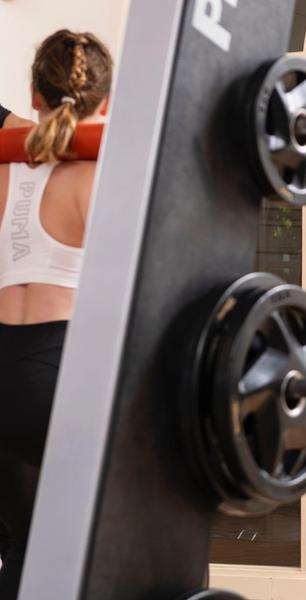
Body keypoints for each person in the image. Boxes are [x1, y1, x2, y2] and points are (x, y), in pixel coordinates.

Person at [0, 30, 112, 599]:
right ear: (107, 102)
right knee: (88, 546)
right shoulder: (99, 180)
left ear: (33, 94)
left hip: (3, 373)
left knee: (21, 545)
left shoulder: (1, 171)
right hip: (57, 377)